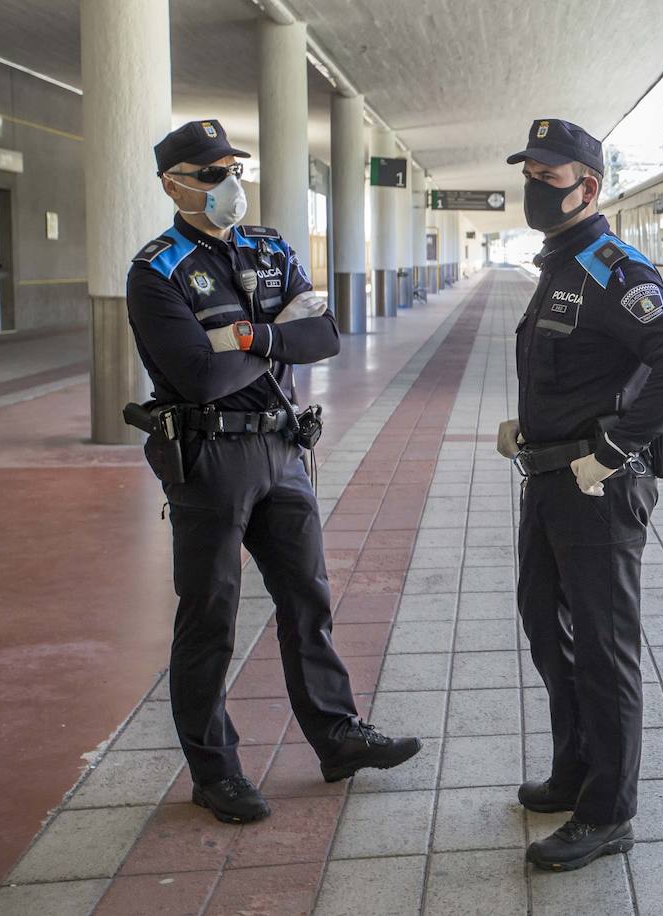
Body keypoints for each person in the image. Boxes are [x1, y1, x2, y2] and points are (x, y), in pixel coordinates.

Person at [126, 119, 421, 824]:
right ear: (174, 185)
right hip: (208, 460)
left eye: (233, 168)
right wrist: (279, 333)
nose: (231, 185)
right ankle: (214, 770)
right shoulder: (157, 270)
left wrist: (246, 336)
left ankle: (337, 734)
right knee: (211, 618)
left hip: (282, 449)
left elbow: (325, 336)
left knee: (307, 600)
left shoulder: (269, 246)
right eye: (211, 174)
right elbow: (197, 378)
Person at [499, 118, 663, 871]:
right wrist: (531, 425)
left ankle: (608, 811)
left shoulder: (613, 267)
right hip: (552, 476)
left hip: (598, 488)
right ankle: (576, 769)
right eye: (530, 173)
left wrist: (614, 449)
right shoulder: (561, 262)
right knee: (546, 626)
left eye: (548, 178)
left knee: (604, 648)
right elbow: (579, 367)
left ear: (588, 187)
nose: (533, 187)